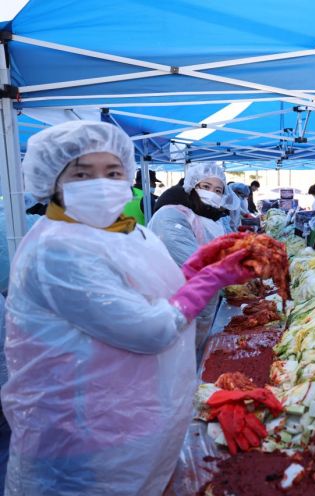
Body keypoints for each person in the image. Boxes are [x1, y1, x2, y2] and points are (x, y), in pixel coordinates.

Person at [1, 121, 254, 495]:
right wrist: (211, 278)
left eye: (113, 171)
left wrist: (199, 266)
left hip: (131, 414)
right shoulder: (56, 249)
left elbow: (160, 289)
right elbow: (150, 329)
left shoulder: (129, 233)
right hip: (81, 433)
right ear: (53, 182)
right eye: (83, 173)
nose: (101, 182)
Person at [149, 162, 240, 356]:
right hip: (173, 310)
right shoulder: (171, 216)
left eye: (218, 190)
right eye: (205, 187)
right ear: (192, 186)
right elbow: (199, 267)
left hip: (201, 307)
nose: (212, 193)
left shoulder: (212, 218)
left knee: (192, 362)